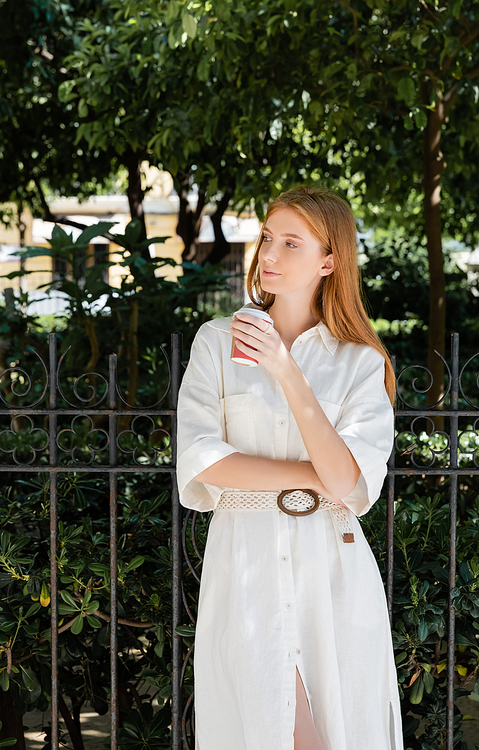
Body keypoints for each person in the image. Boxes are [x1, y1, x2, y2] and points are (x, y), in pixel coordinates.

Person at [176, 185, 404, 750]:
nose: (269, 255)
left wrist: (285, 371)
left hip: (334, 571)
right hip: (244, 563)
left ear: (329, 260)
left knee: (338, 732)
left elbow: (351, 482)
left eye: (291, 243)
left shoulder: (360, 363)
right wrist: (310, 476)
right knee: (266, 727)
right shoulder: (216, 342)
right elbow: (203, 462)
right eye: (267, 239)